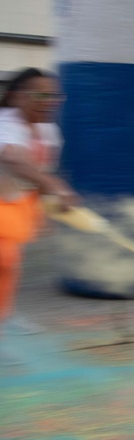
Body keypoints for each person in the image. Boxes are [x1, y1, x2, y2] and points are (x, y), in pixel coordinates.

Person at [0, 68, 79, 362]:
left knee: (9, 262)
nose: (49, 101)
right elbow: (12, 158)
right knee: (5, 259)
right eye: (40, 94)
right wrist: (54, 186)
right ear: (15, 97)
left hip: (11, 203)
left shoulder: (48, 132)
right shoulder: (6, 124)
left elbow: (38, 173)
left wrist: (41, 207)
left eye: (55, 95)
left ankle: (4, 317)